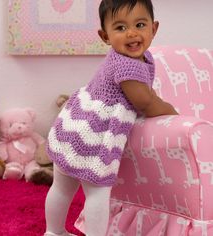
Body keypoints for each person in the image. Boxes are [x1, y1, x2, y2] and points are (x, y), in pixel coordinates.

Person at [44, 0, 178, 235]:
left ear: (153, 29)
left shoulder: (141, 58)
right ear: (105, 36)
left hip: (75, 122)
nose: (132, 33)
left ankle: (53, 232)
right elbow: (145, 102)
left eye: (139, 24)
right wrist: (171, 112)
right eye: (121, 28)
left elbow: (145, 92)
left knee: (62, 187)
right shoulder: (127, 66)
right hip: (94, 135)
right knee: (98, 191)